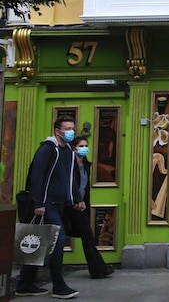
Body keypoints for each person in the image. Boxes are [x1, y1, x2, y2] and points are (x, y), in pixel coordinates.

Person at [15, 116, 84, 299]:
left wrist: (77, 198)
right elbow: (37, 176)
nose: (71, 132)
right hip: (47, 204)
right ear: (57, 131)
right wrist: (38, 203)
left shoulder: (68, 151)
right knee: (58, 240)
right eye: (67, 128)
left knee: (41, 241)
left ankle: (24, 284)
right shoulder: (47, 149)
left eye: (72, 128)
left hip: (61, 203)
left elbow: (70, 177)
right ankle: (59, 286)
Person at [68, 137, 114, 279]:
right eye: (81, 145)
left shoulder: (86, 165)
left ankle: (98, 269)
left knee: (87, 236)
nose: (84, 148)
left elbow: (84, 188)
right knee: (57, 238)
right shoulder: (68, 165)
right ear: (74, 148)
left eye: (86, 145)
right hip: (66, 206)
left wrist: (83, 203)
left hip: (80, 207)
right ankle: (29, 275)